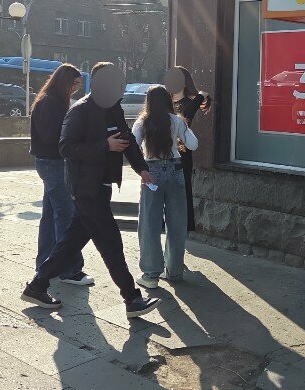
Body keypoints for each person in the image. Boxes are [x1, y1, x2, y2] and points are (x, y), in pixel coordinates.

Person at [22, 62, 160, 319]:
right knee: (111, 243)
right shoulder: (80, 110)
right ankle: (132, 298)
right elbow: (66, 148)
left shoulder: (113, 108)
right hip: (85, 188)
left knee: (70, 243)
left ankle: (37, 286)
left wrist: (141, 168)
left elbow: (127, 138)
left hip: (102, 185)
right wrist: (104, 145)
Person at [29, 64, 93, 287]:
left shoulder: (49, 100)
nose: (76, 89)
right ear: (65, 81)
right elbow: (52, 137)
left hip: (50, 163)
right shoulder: (52, 104)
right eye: (75, 84)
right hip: (54, 164)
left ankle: (46, 264)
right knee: (67, 217)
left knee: (50, 217)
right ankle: (71, 270)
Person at [132, 85, 199, 288]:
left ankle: (151, 275)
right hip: (175, 171)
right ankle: (175, 270)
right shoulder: (177, 120)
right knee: (177, 223)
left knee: (149, 224)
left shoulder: (142, 122)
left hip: (152, 172)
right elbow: (193, 144)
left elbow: (133, 145)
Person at [172, 66, 212, 233]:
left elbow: (186, 115)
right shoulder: (165, 102)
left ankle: (185, 226)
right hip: (164, 151)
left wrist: (201, 96)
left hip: (182, 152)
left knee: (183, 189)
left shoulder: (189, 104)